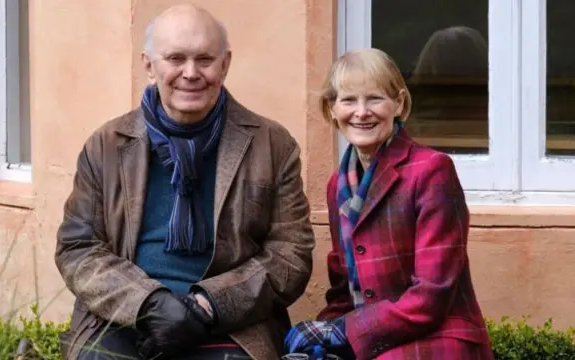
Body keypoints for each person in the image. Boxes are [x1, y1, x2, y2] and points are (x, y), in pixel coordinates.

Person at [54, 4, 315, 359]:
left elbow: (291, 254)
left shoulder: (272, 144)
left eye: (205, 59)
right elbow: (78, 248)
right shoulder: (107, 145)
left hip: (231, 324)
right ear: (149, 65)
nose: (191, 73)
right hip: (123, 317)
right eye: (176, 58)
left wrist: (207, 305)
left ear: (225, 64)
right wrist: (150, 305)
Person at [283, 48, 494, 359]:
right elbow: (343, 291)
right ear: (331, 109)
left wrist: (341, 332)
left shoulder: (432, 170)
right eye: (349, 100)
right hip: (377, 340)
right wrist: (323, 339)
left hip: (441, 337)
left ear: (398, 103)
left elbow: (432, 295)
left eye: (375, 98)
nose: (362, 112)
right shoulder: (337, 186)